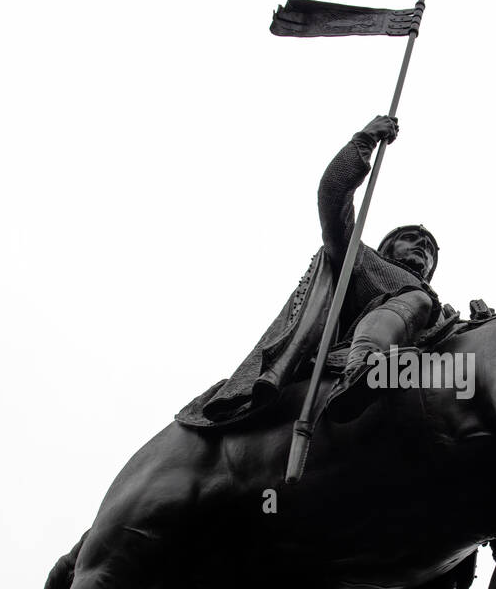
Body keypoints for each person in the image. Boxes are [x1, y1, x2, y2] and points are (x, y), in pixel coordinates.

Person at [176, 115, 442, 429]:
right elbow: (332, 197)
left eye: (428, 248)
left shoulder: (436, 304)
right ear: (387, 249)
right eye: (411, 239)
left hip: (418, 361)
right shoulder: (361, 258)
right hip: (352, 354)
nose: (421, 248)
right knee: (418, 300)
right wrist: (363, 142)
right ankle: (361, 367)